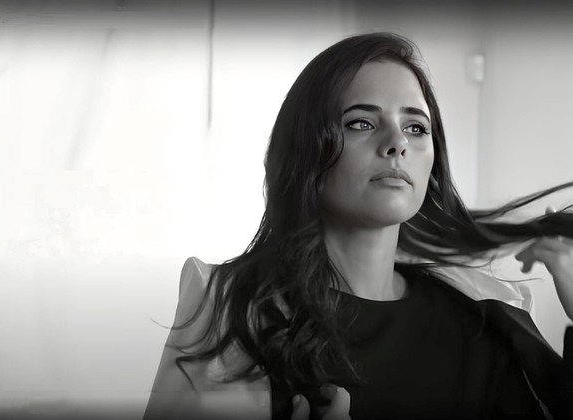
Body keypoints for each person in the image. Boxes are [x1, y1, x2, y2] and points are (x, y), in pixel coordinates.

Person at [144, 32, 573, 420]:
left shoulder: (485, 318)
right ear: (305, 149)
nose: (397, 143)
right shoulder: (231, 312)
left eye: (416, 127)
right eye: (361, 123)